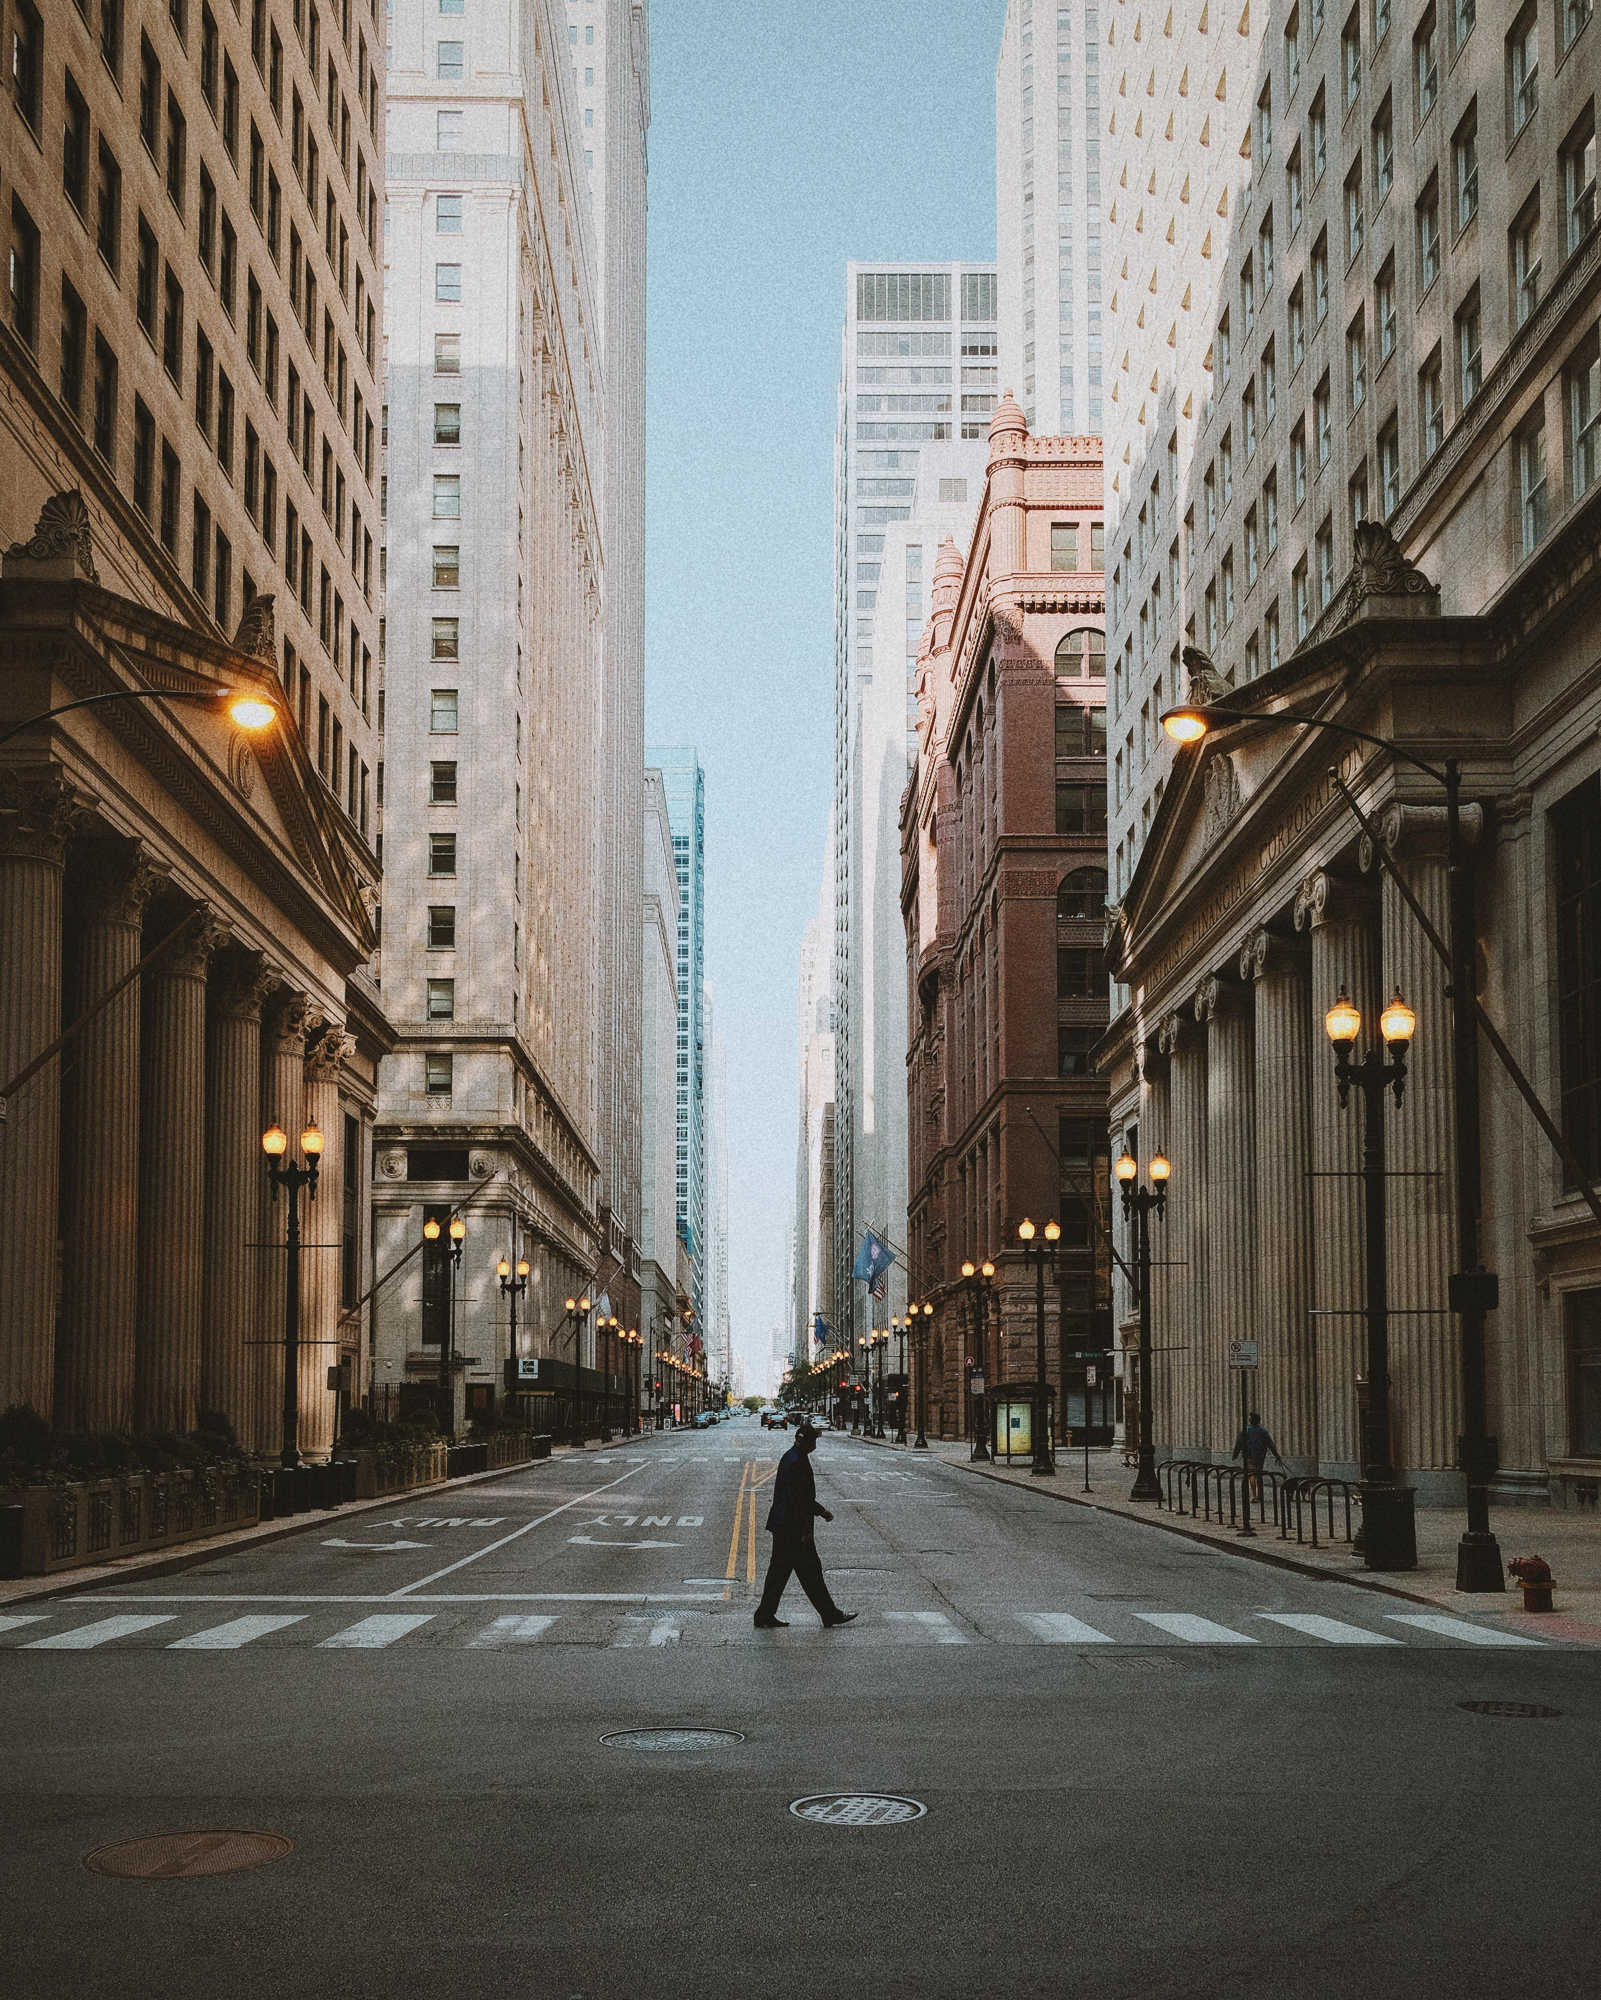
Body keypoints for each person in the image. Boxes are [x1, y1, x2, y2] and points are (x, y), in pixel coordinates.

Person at [753, 1416, 857, 1630]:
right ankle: (829, 1614)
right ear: (808, 1442)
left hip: (784, 1526)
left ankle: (765, 1614)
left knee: (782, 1574)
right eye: (815, 1441)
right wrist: (812, 1522)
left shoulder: (791, 1456)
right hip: (792, 1529)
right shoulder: (797, 1462)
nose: (816, 1445)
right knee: (808, 1573)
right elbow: (798, 1501)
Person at [1231, 1410, 1285, 1501]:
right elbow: (1270, 1444)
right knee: (1259, 1473)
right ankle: (1260, 1495)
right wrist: (1276, 1455)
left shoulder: (1245, 1430)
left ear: (1250, 1420)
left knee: (1252, 1474)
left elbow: (1239, 1443)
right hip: (1260, 1455)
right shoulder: (1263, 1431)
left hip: (1249, 1455)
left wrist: (1235, 1454)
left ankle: (1254, 1494)